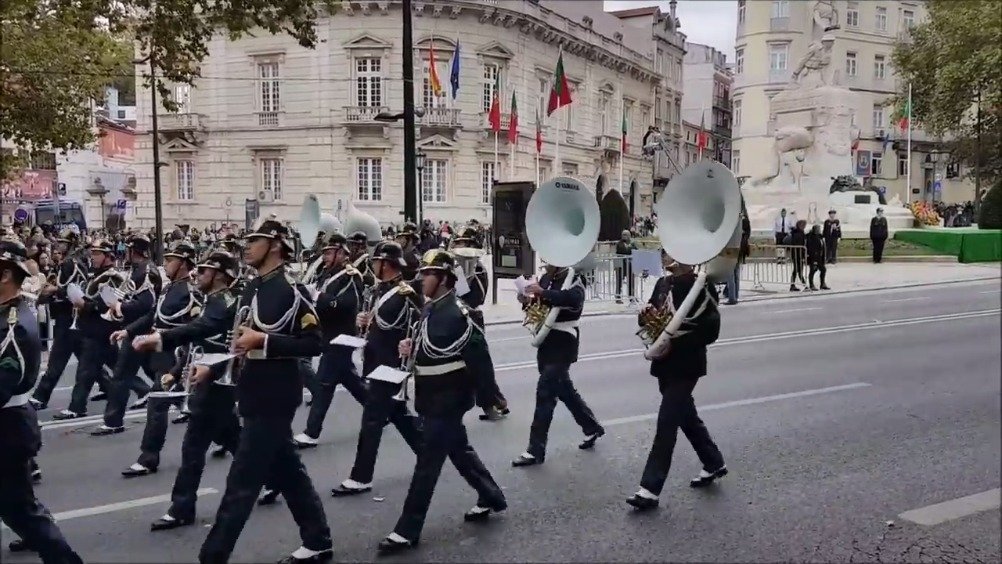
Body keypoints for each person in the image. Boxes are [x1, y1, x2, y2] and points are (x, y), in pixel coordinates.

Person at [198, 217, 332, 564]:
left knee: (241, 481)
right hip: (252, 389)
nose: (246, 245)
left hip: (276, 394)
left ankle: (212, 555)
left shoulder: (291, 290)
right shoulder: (251, 287)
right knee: (289, 472)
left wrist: (265, 340)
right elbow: (229, 329)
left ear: (274, 244)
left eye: (254, 239)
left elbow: (314, 343)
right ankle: (318, 540)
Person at [377, 250, 507, 554]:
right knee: (459, 451)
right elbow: (431, 345)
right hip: (431, 395)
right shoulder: (432, 308)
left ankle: (406, 530)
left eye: (429, 274)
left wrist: (490, 398)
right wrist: (411, 347)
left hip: (448, 399)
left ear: (446, 278)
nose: (422, 279)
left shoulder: (459, 313)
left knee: (427, 465)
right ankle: (492, 496)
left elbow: (480, 359)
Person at [131, 249, 242, 531]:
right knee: (235, 439)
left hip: (217, 382)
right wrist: (175, 370)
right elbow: (198, 341)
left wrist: (160, 339)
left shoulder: (225, 303)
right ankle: (274, 479)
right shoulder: (211, 300)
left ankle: (181, 507)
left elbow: (220, 341)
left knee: (193, 446)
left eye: (204, 271)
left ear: (219, 275)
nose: (197, 274)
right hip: (204, 378)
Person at [0, 239, 84, 564]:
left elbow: (3, 384)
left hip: (7, 430)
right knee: (20, 510)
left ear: (6, 274)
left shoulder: (15, 325)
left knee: (23, 512)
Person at [626, 250, 726, 511]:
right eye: (664, 252)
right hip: (664, 362)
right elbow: (651, 316)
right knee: (686, 417)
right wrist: (646, 315)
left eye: (670, 253)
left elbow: (712, 330)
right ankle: (713, 461)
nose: (665, 257)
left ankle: (650, 488)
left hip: (687, 364)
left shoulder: (702, 286)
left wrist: (677, 335)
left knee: (667, 422)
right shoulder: (663, 283)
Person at [330, 241, 424, 496]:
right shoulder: (378, 290)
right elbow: (376, 323)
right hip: (374, 362)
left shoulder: (405, 293)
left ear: (385, 264)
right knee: (400, 416)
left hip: (389, 365)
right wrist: (363, 321)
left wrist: (409, 345)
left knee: (372, 420)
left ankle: (361, 476)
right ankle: (428, 454)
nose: (372, 266)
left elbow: (422, 321)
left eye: (375, 262)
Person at [511, 262, 605, 467]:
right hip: (546, 341)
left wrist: (543, 292)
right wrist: (526, 300)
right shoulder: (546, 278)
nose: (546, 265)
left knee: (545, 393)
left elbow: (574, 300)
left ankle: (535, 450)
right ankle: (591, 427)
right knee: (565, 391)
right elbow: (539, 306)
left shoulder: (574, 279)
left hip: (564, 342)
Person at [293, 233, 368, 449]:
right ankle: (384, 412)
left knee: (324, 385)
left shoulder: (351, 276)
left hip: (342, 336)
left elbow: (347, 305)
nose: (325, 256)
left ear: (342, 254)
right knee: (353, 383)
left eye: (329, 252)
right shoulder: (325, 274)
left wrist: (317, 297)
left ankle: (311, 432)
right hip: (327, 334)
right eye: (324, 252)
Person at [449, 225, 509, 421]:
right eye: (457, 243)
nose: (459, 247)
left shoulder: (478, 269)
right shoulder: (452, 266)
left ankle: (492, 403)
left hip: (471, 319)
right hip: (453, 318)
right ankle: (496, 400)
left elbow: (478, 297)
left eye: (463, 243)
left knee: (479, 365)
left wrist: (463, 277)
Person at [30, 230, 89, 409]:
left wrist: (54, 291)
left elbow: (74, 291)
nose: (57, 247)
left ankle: (41, 396)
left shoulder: (71, 264)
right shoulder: (67, 263)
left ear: (70, 245)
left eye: (62, 243)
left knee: (57, 360)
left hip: (68, 316)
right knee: (89, 362)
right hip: (68, 317)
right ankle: (111, 388)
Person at [805, 225, 830, 291]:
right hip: (814, 257)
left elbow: (822, 246)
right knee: (812, 270)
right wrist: (814, 259)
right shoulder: (811, 238)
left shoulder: (820, 237)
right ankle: (811, 284)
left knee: (823, 269)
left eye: (819, 229)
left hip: (820, 257)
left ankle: (822, 284)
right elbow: (811, 248)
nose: (819, 230)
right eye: (818, 229)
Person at [786, 219, 808, 291]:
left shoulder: (796, 233)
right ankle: (802, 285)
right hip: (797, 254)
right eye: (804, 225)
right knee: (797, 270)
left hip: (796, 254)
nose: (804, 226)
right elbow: (800, 244)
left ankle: (797, 284)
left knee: (797, 270)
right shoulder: (799, 233)